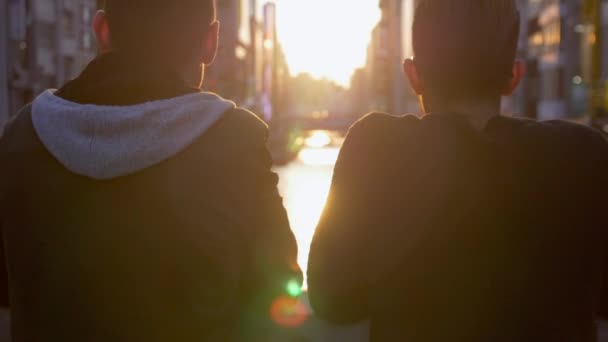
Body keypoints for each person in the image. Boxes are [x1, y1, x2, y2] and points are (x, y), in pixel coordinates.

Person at [0, 0, 301, 341]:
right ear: (210, 41)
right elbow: (279, 282)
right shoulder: (235, 142)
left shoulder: (21, 137)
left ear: (101, 30)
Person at [308, 0, 608, 341]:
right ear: (514, 76)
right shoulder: (583, 154)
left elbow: (330, 299)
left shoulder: (376, 146)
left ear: (413, 75)